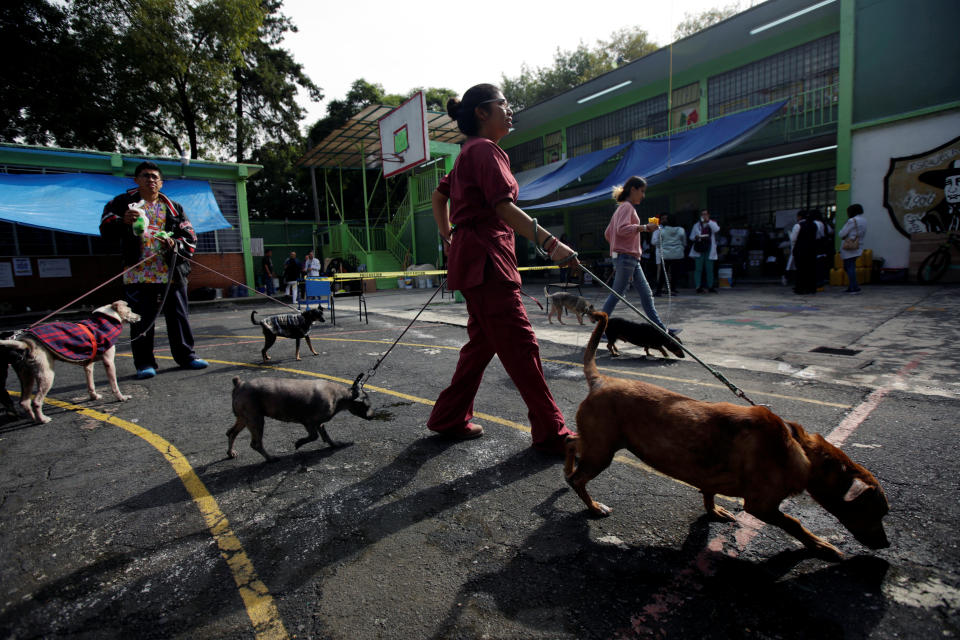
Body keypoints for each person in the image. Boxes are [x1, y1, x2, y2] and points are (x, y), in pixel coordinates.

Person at [427, 83, 579, 453]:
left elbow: (438, 195)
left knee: (482, 345)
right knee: (521, 344)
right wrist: (551, 243)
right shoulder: (485, 151)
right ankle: (551, 431)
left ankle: (449, 417)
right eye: (503, 104)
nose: (510, 111)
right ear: (482, 112)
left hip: (475, 259)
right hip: (487, 262)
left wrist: (448, 235)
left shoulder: (468, 153)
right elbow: (503, 208)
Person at [99, 161, 208, 379]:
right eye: (146, 176)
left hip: (171, 273)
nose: (151, 180)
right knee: (141, 320)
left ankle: (186, 356)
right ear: (136, 180)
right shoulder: (122, 203)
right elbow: (105, 227)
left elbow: (189, 236)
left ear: (161, 183)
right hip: (138, 272)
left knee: (178, 317)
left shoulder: (174, 207)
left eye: (155, 177)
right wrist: (122, 222)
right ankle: (144, 363)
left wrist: (174, 245)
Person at [600, 177, 677, 335]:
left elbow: (608, 233)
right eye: (642, 191)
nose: (643, 195)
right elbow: (621, 229)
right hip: (627, 257)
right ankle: (599, 331)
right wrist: (644, 227)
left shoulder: (621, 208)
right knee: (617, 294)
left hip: (628, 258)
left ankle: (661, 330)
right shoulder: (627, 207)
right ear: (633, 189)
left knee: (645, 294)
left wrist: (617, 247)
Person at [652, 213, 686, 296]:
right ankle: (673, 290)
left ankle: (659, 290)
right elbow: (684, 242)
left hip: (666, 255)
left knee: (663, 273)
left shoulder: (662, 231)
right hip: (677, 254)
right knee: (674, 273)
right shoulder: (681, 230)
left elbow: (658, 243)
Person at [689, 209, 720, 293]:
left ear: (708, 215)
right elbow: (691, 237)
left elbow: (716, 230)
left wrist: (708, 221)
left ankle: (710, 286)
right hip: (699, 248)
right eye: (702, 214)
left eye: (705, 214)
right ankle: (698, 287)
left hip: (709, 248)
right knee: (698, 269)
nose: (704, 216)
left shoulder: (712, 223)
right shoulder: (696, 225)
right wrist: (696, 237)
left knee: (709, 269)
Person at [839, 203, 867, 294]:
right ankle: (853, 286)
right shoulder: (864, 220)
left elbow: (842, 234)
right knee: (851, 266)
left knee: (849, 267)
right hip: (858, 245)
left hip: (849, 246)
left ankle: (854, 287)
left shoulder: (852, 220)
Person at [791, 210, 819, 295]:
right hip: (812, 249)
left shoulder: (798, 225)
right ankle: (811, 288)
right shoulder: (814, 225)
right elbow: (817, 236)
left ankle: (800, 288)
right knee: (811, 269)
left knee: (800, 269)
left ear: (799, 217)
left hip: (800, 249)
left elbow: (793, 239)